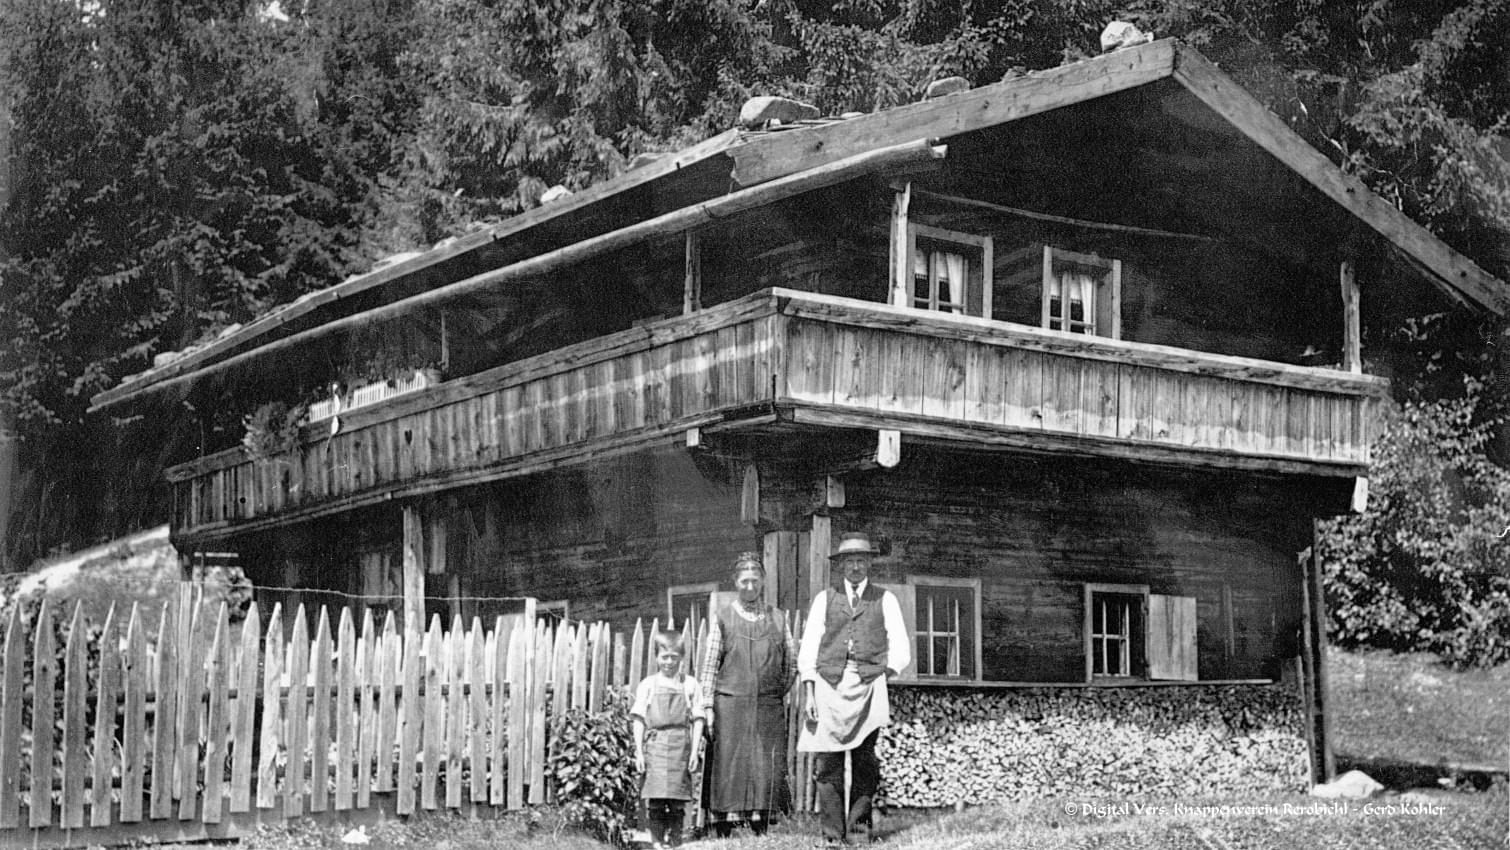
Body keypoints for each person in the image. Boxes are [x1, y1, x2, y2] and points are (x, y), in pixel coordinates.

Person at [797, 532, 911, 847]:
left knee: (864, 761)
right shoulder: (824, 599)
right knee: (827, 764)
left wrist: (880, 676)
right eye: (851, 561)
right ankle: (833, 835)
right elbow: (808, 650)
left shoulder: (885, 599)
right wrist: (810, 692)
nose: (856, 567)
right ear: (842, 566)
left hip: (869, 685)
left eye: (862, 560)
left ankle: (858, 832)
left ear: (869, 563)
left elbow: (901, 647)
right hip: (828, 685)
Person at [698, 552, 798, 837]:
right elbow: (709, 667)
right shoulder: (724, 618)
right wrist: (707, 706)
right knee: (729, 764)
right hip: (729, 705)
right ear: (736, 582)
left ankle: (761, 823)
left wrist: (774, 692)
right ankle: (724, 825)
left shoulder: (778, 619)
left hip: (767, 706)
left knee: (765, 765)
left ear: (763, 582)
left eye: (755, 581)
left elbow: (791, 663)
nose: (750, 587)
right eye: (745, 581)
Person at [631, 630, 707, 849]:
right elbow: (638, 720)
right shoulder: (648, 684)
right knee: (655, 799)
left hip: (680, 747)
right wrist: (639, 752)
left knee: (677, 799)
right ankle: (656, 841)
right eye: (664, 657)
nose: (669, 662)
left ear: (681, 657)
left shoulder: (690, 684)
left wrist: (694, 752)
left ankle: (674, 842)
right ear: (656, 657)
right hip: (654, 747)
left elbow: (698, 720)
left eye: (674, 656)